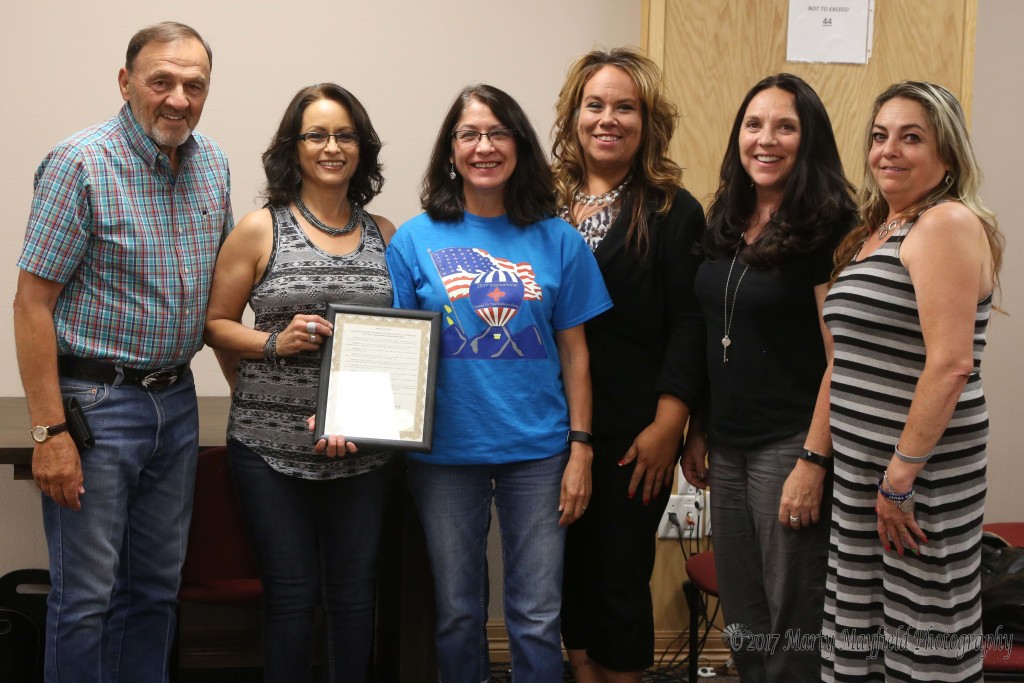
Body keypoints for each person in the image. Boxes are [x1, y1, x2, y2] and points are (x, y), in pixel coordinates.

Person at [12, 22, 231, 683]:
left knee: (157, 591)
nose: (178, 98)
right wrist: (49, 430)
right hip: (95, 408)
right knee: (85, 598)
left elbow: (217, 308)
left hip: (175, 401)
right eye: (161, 80)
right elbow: (31, 305)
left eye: (194, 85)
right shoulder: (80, 163)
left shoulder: (213, 164)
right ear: (126, 81)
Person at [385, 84, 612, 683]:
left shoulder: (558, 238)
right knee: (458, 614)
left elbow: (576, 354)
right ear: (450, 150)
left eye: (498, 133)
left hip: (539, 452)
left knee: (537, 615)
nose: (484, 147)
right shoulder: (413, 239)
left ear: (519, 144)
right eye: (469, 135)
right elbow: (398, 352)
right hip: (444, 454)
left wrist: (581, 448)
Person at [203, 83, 394, 682]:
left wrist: (369, 417)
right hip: (268, 448)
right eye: (317, 134)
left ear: (361, 148)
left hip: (365, 448)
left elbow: (407, 342)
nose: (331, 146)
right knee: (289, 596)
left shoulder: (390, 232)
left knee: (355, 596)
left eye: (345, 135)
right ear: (294, 146)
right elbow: (213, 325)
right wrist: (273, 343)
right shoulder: (260, 228)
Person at [821, 81, 1002, 682]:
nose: (888, 151)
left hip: (918, 472)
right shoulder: (882, 229)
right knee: (869, 630)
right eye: (879, 137)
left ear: (946, 156)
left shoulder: (944, 223)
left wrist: (899, 478)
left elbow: (951, 364)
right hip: (867, 470)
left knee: (924, 632)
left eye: (911, 137)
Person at [680, 73, 856, 683]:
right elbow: (712, 331)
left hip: (791, 442)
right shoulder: (726, 217)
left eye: (785, 126)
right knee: (746, 616)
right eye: (754, 124)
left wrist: (813, 460)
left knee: (792, 617)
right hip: (727, 444)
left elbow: (843, 357)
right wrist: (698, 425)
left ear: (808, 140)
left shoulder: (831, 226)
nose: (766, 139)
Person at [550, 47, 706, 682]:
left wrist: (671, 424)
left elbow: (690, 323)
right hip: (544, 427)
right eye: (595, 105)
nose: (607, 119)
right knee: (564, 583)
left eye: (625, 107)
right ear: (573, 115)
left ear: (648, 121)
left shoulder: (673, 209)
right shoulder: (541, 202)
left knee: (618, 582)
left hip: (632, 432)